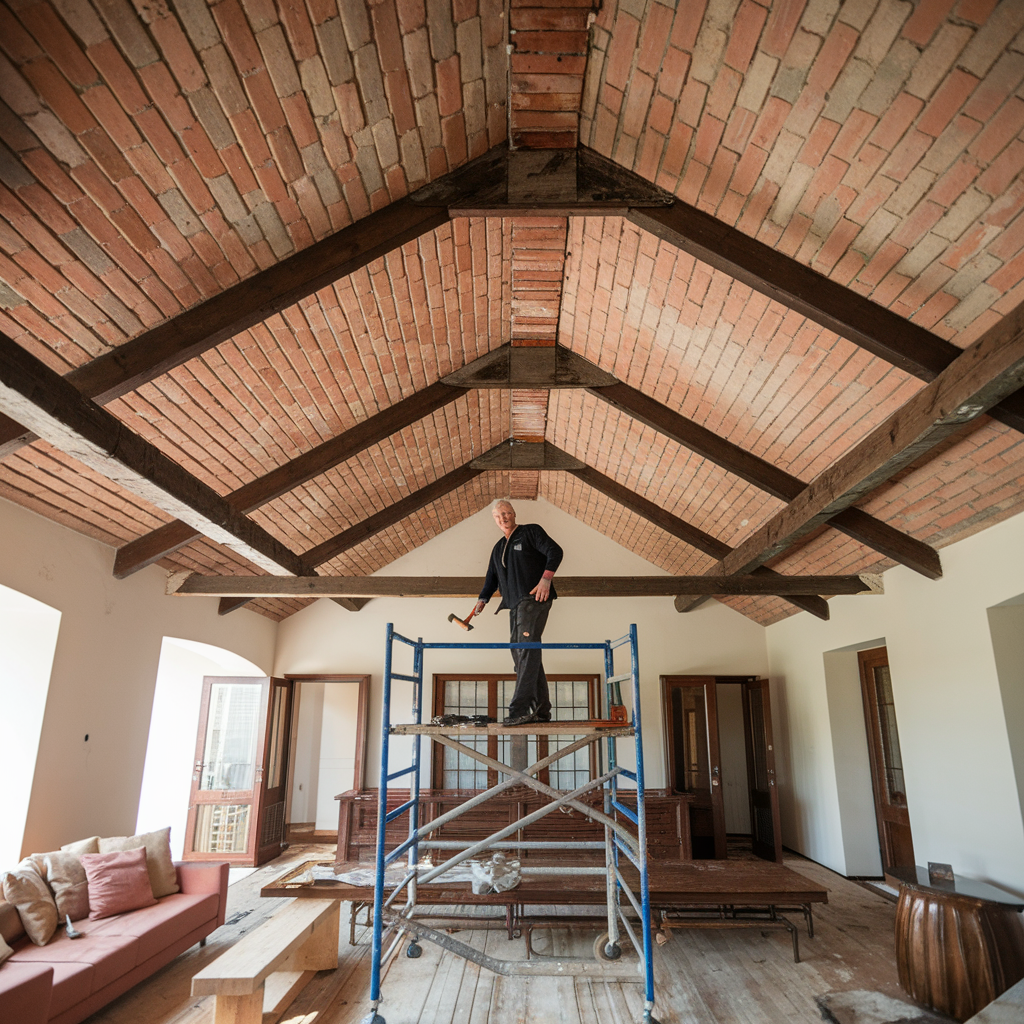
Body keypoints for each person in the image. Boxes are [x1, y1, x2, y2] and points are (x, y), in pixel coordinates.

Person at [473, 500, 563, 725]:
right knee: (524, 655)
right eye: (498, 515)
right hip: (514, 605)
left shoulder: (530, 532)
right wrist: (482, 599)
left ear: (513, 514)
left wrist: (545, 580)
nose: (503, 517)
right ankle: (541, 711)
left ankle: (519, 710)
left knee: (525, 653)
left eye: (506, 513)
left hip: (533, 599)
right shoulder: (497, 548)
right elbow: (491, 578)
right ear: (494, 520)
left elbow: (555, 551)